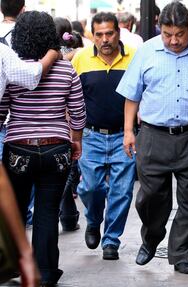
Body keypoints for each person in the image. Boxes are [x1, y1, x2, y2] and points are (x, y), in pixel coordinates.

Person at [116, 1, 188, 275]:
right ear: (161, 29)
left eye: (179, 34)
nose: (174, 41)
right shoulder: (147, 51)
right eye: (167, 35)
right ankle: (152, 236)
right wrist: (128, 131)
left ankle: (182, 254)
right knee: (150, 198)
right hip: (153, 137)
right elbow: (131, 96)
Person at [0, 11, 85, 285]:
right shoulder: (65, 69)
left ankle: (15, 267)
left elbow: (1, 112)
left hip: (18, 150)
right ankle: (46, 273)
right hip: (56, 149)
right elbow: (79, 111)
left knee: (19, 208)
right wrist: (76, 139)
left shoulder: (13, 69)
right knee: (48, 212)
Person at [71, 12, 137, 261]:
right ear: (92, 35)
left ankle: (111, 240)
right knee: (90, 188)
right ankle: (93, 219)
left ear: (118, 32)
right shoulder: (81, 58)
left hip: (125, 136)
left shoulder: (133, 57)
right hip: (91, 136)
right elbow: (71, 96)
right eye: (99, 34)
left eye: (109, 33)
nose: (105, 39)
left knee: (122, 192)